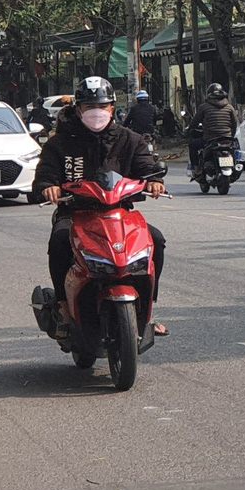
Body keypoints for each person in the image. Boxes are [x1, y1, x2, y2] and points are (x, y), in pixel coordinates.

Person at [33, 77, 167, 325]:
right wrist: (48, 187)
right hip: (76, 213)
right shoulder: (60, 143)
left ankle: (147, 310)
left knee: (155, 240)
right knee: (60, 239)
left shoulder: (130, 140)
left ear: (112, 109)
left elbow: (146, 168)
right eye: (89, 107)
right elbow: (45, 174)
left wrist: (153, 181)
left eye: (102, 107)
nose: (97, 112)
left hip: (119, 213)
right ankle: (63, 305)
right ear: (78, 109)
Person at [188, 83, 239, 179]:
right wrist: (231, 134)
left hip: (210, 139)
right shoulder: (230, 107)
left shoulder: (204, 107)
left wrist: (190, 129)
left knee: (193, 145)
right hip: (227, 138)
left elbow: (195, 122)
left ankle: (197, 168)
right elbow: (235, 123)